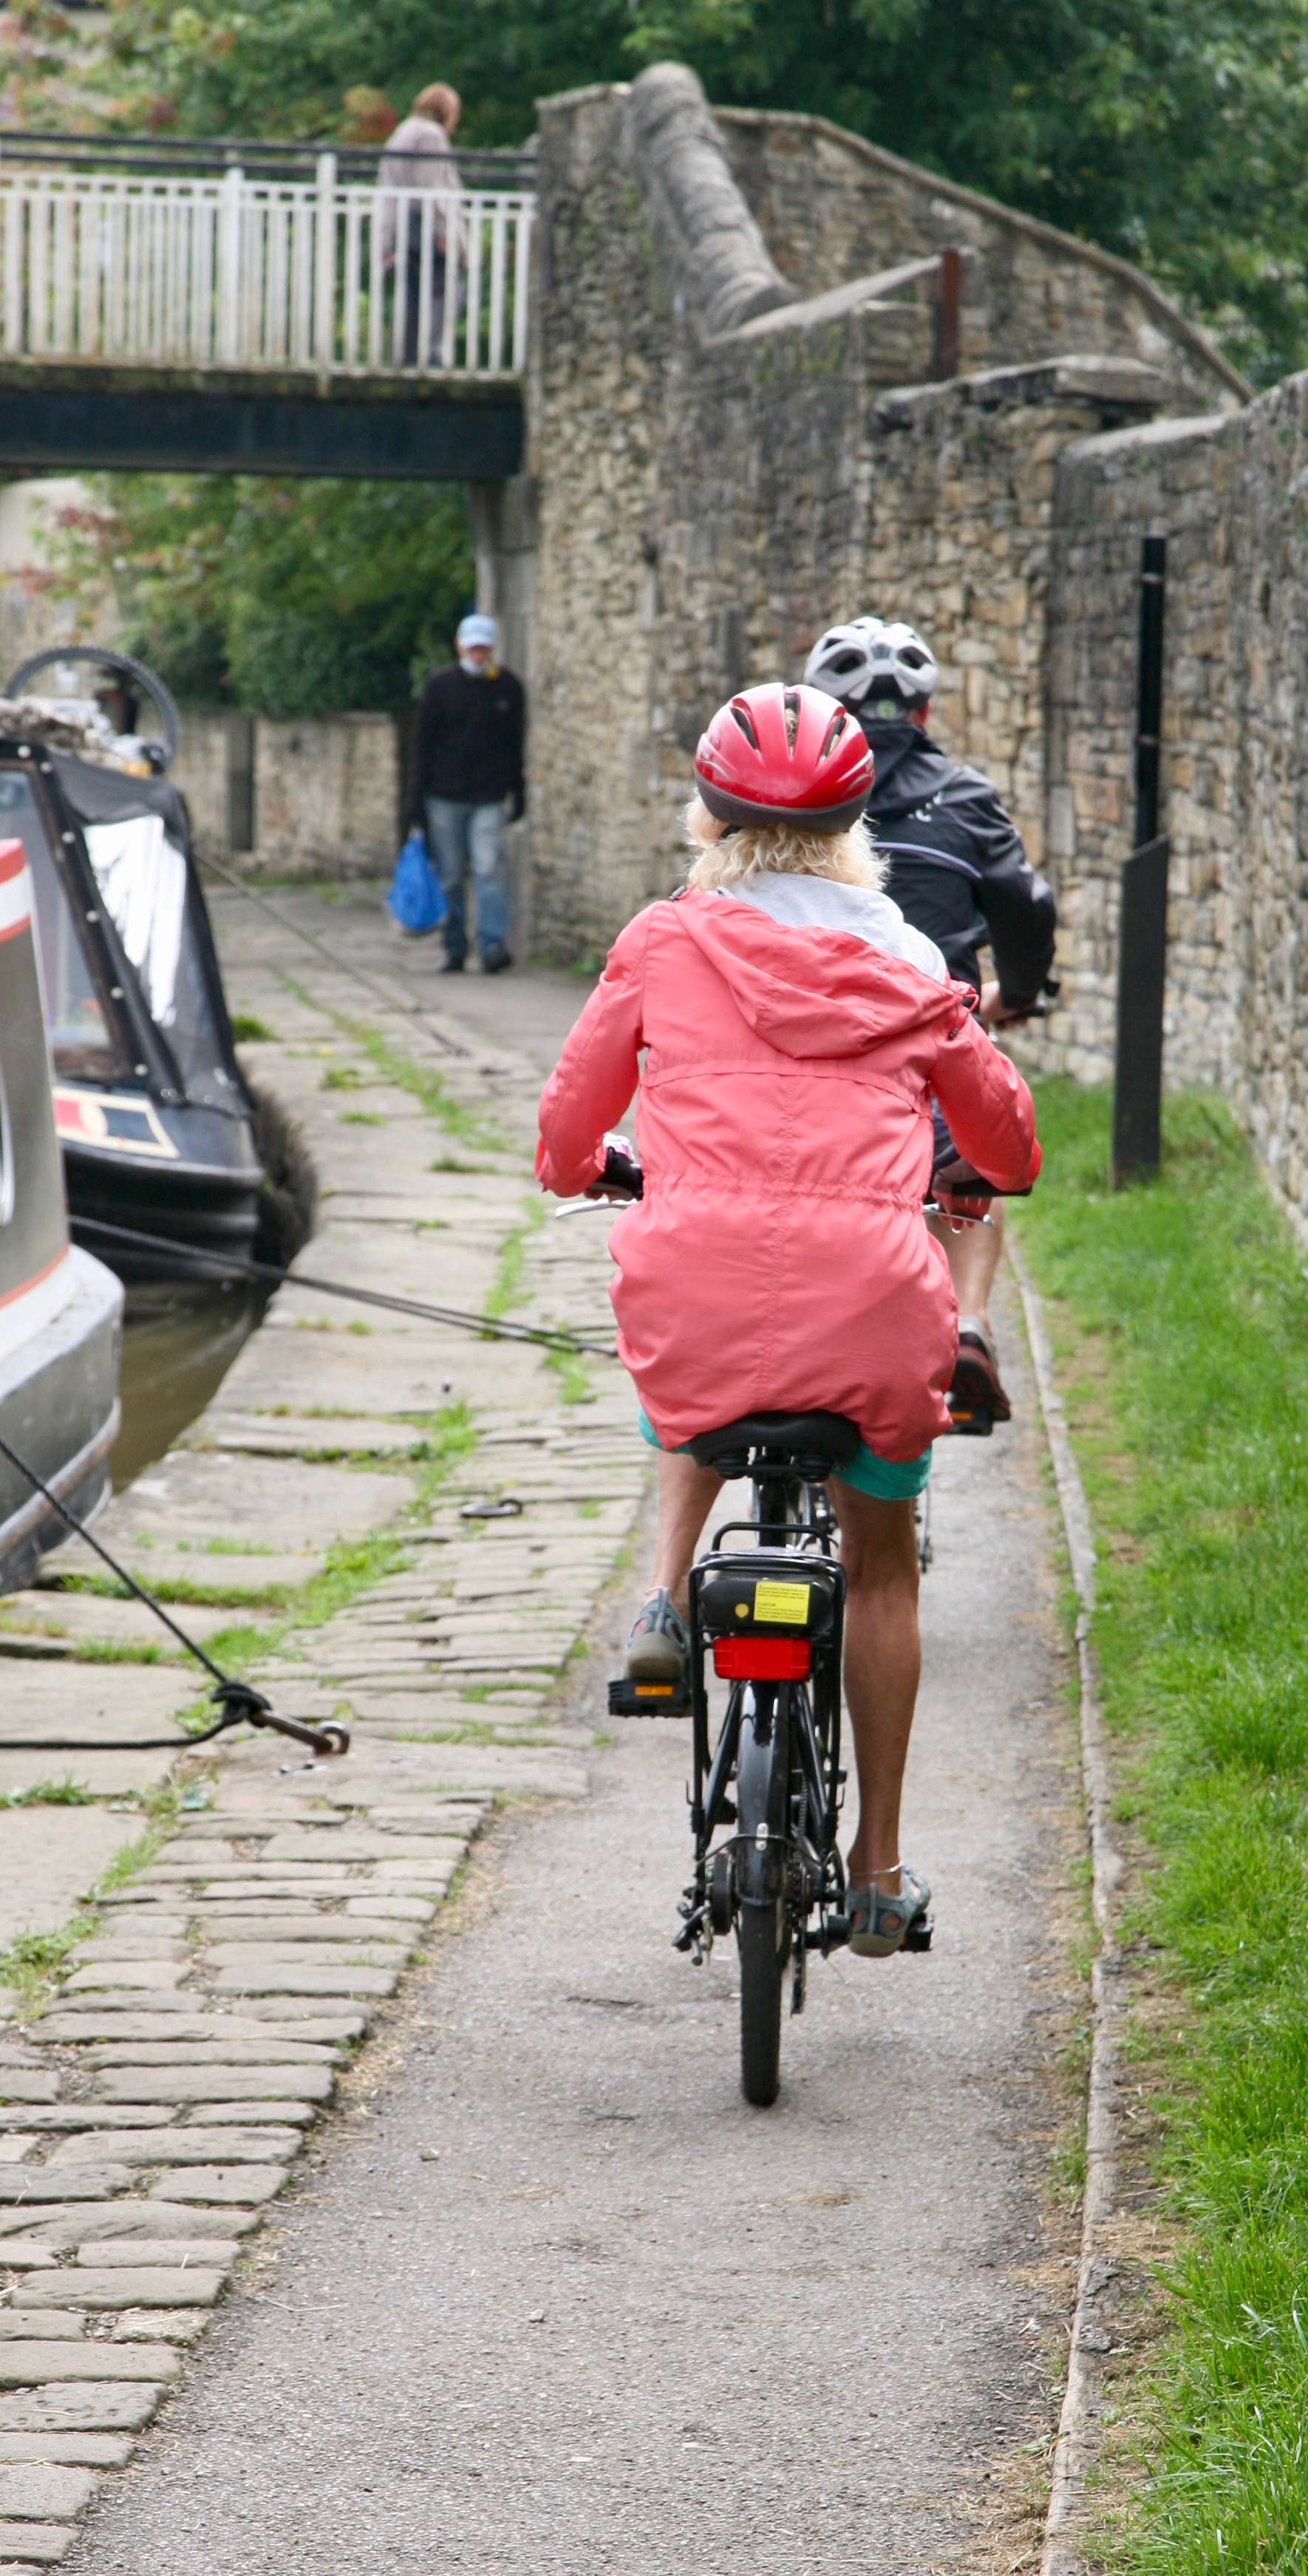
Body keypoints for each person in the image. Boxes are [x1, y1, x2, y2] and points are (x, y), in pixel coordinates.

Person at [535, 683, 1040, 1955]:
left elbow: (564, 1133)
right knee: (878, 1566)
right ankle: (874, 1870)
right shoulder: (910, 961)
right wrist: (969, 1170)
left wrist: (593, 1168)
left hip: (693, 1291)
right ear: (858, 824)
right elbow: (1007, 1146)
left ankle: (662, 1604)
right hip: (873, 1305)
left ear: (707, 821)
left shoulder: (661, 939)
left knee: (685, 1366)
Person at [803, 616, 1058, 1429]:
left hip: (810, 1032)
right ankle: (970, 1326)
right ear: (922, 711)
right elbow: (1023, 903)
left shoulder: (790, 797)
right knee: (967, 1178)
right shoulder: (964, 795)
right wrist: (1017, 990)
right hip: (934, 1031)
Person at [404, 613, 525, 976]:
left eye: (483, 646)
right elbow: (422, 745)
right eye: (472, 646)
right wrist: (415, 802)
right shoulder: (440, 687)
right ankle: (454, 946)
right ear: (460, 646)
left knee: (488, 869)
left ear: (491, 648)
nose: (478, 652)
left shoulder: (507, 688)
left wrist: (519, 791)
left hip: (489, 796)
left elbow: (515, 745)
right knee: (451, 875)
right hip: (444, 797)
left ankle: (491, 945)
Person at [379, 83, 466, 366]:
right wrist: (444, 232)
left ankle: (406, 356)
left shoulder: (400, 133)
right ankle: (433, 355)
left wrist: (384, 240)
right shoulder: (431, 136)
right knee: (446, 292)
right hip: (425, 226)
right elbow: (433, 187)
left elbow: (387, 190)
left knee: (412, 295)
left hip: (403, 225)